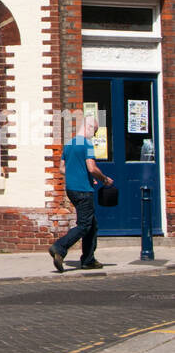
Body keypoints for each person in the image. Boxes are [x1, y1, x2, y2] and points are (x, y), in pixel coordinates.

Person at [49, 114, 113, 273]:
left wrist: (79, 174)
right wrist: (104, 179)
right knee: (84, 225)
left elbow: (62, 169)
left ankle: (88, 260)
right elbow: (92, 168)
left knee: (92, 224)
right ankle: (60, 247)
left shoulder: (70, 144)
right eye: (95, 131)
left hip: (71, 189)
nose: (95, 134)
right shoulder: (87, 145)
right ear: (89, 127)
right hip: (84, 191)